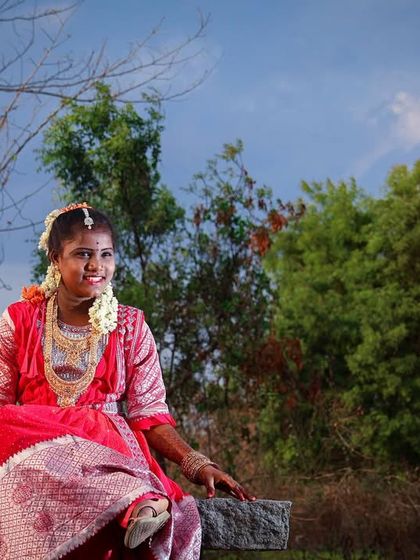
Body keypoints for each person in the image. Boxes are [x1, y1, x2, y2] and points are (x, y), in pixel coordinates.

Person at [0, 203, 255, 560]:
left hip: (104, 450)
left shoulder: (131, 327)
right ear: (56, 259)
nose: (96, 266)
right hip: (35, 458)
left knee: (92, 433)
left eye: (106, 254)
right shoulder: (19, 320)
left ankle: (138, 504)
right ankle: (136, 501)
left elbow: (149, 415)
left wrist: (196, 463)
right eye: (82, 254)